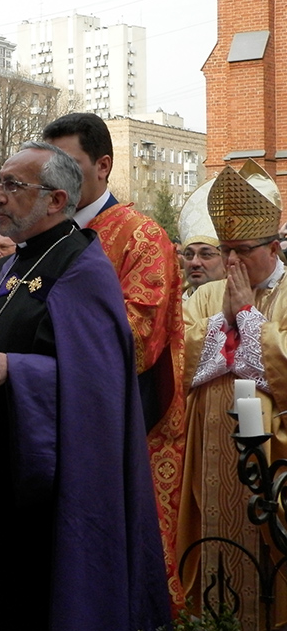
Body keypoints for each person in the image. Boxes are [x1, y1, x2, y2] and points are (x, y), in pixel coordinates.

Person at [0, 142, 170, 631]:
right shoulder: (19, 261)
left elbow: (100, 386)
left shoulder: (82, 267)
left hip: (39, 494)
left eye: (12, 185)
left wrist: (17, 371)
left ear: (54, 200)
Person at [43, 112, 185, 606]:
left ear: (103, 165)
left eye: (70, 165)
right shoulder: (42, 236)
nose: (55, 179)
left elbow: (136, 336)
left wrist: (36, 340)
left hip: (122, 425)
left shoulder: (142, 237)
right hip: (50, 416)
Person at [177, 164, 287, 629]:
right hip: (211, 455)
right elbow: (179, 349)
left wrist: (245, 316)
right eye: (227, 251)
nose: (233, 263)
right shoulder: (208, 295)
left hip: (274, 457)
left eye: (243, 251)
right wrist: (227, 319)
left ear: (274, 248)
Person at [178, 176, 226, 298]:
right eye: (188, 254)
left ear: (226, 261)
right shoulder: (174, 304)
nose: (195, 262)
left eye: (205, 254)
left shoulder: (241, 302)